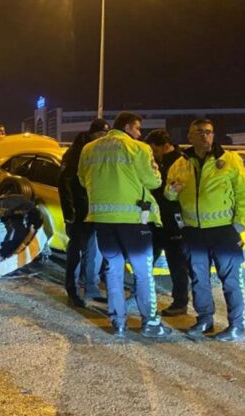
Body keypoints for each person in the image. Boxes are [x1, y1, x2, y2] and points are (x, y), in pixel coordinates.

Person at [78, 111, 171, 338]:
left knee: (113, 271)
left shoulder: (89, 148)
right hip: (133, 220)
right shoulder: (137, 148)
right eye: (138, 128)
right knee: (143, 273)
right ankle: (150, 323)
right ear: (129, 127)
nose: (139, 133)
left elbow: (82, 178)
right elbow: (153, 181)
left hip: (102, 219)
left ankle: (118, 322)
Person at [165, 119, 245, 342]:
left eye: (209, 132)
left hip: (224, 232)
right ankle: (205, 319)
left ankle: (237, 325)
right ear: (190, 136)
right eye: (200, 132)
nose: (205, 136)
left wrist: (238, 227)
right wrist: (171, 191)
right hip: (194, 233)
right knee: (198, 279)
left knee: (231, 280)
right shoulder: (180, 164)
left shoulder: (230, 160)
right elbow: (169, 195)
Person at [59, 118, 110, 307]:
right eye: (101, 134)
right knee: (76, 251)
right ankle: (72, 289)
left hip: (95, 210)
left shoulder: (100, 152)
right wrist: (69, 213)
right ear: (92, 134)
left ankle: (91, 288)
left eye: (106, 134)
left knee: (93, 251)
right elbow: (64, 184)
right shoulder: (75, 153)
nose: (103, 138)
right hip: (79, 211)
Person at [144, 129, 191, 316]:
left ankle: (180, 302)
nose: (152, 154)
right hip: (157, 220)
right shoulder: (159, 161)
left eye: (154, 149)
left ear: (164, 146)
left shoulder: (181, 162)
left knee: (176, 263)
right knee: (147, 260)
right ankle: (141, 294)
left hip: (173, 220)